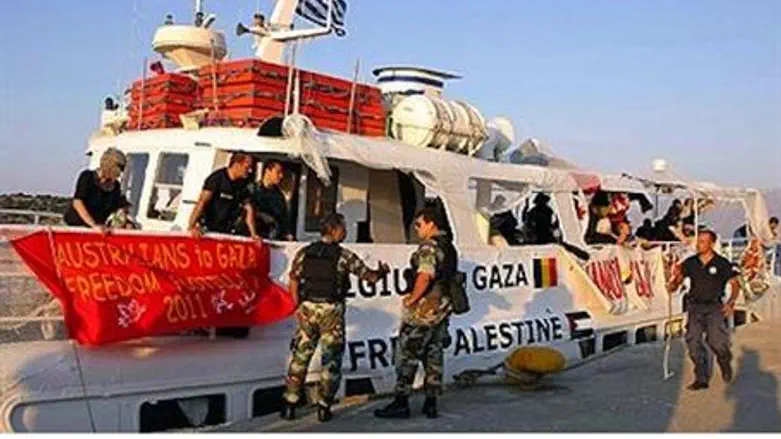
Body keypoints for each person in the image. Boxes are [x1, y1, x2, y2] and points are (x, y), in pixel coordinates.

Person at [281, 213, 389, 423]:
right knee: (330, 362)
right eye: (343, 227)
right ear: (334, 230)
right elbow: (370, 277)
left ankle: (290, 404)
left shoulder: (305, 252)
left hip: (308, 309)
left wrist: (297, 306)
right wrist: (382, 272)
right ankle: (324, 407)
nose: (346, 231)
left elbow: (293, 279)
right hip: (331, 312)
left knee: (300, 358)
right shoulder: (344, 256)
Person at [375, 208, 456, 420]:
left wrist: (412, 299)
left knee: (407, 355)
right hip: (441, 309)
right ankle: (431, 403)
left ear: (431, 224)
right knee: (434, 355)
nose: (417, 229)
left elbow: (425, 276)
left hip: (425, 309)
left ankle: (401, 402)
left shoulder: (429, 247)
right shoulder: (449, 246)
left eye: (419, 224)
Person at [667, 230, 740, 391]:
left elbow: (735, 284)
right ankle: (701, 378)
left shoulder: (722, 263)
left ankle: (724, 361)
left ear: (712, 244)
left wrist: (731, 303)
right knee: (693, 342)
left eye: (702, 241)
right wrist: (674, 282)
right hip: (695, 306)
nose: (698, 244)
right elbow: (678, 281)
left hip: (714, 307)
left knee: (717, 342)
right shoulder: (690, 262)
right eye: (698, 241)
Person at [187, 153, 260, 240]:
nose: (250, 171)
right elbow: (202, 202)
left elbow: (249, 209)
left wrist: (254, 234)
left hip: (226, 230)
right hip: (207, 228)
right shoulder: (217, 179)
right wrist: (192, 226)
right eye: (247, 167)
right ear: (236, 165)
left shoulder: (243, 185)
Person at [63, 148, 130, 231]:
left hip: (99, 230)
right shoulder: (87, 177)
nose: (119, 174)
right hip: (76, 228)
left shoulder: (116, 186)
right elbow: (78, 202)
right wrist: (93, 224)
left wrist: (124, 219)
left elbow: (119, 206)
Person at [250, 160, 294, 240]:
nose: (281, 176)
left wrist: (287, 234)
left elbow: (283, 219)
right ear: (267, 171)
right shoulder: (253, 190)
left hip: (273, 238)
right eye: (278, 172)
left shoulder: (279, 196)